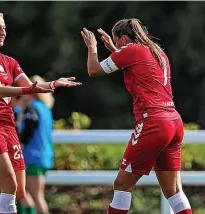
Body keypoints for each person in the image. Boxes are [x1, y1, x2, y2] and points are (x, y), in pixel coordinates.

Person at [0, 11, 81, 214]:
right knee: (10, 186)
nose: (2, 32)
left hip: (9, 127)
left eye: (3, 27)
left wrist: (55, 84)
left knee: (20, 192)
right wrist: (31, 90)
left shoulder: (9, 62)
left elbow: (31, 86)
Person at [81, 18, 192, 214]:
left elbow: (93, 70)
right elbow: (137, 66)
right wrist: (115, 50)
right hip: (174, 121)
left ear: (123, 38)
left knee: (122, 184)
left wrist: (92, 47)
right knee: (173, 191)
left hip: (154, 122)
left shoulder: (130, 50)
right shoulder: (156, 51)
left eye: (117, 42)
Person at [14, 75, 54, 214]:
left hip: (33, 156)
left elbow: (26, 131)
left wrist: (18, 108)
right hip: (43, 156)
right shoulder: (45, 109)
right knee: (28, 195)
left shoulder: (32, 109)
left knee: (35, 196)